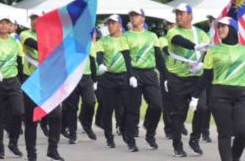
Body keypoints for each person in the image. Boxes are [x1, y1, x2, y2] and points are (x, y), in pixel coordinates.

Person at [192, 17, 245, 161]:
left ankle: (235, 157)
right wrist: (195, 97)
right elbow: (206, 76)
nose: (220, 29)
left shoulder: (244, 50)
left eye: (224, 26)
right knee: (225, 133)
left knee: (243, 132)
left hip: (241, 94)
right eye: (219, 27)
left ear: (233, 28)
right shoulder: (213, 51)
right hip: (220, 94)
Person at [164, 3, 211, 157]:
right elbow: (178, 40)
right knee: (179, 113)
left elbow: (209, 52)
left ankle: (195, 139)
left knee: (203, 108)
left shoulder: (201, 33)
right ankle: (177, 145)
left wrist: (202, 65)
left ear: (190, 16)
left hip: (196, 78)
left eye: (181, 13)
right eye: (177, 14)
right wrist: (195, 47)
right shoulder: (173, 32)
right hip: (177, 77)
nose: (178, 16)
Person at [20, 12, 64, 161]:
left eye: (38, 19)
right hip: (32, 79)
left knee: (56, 115)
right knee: (32, 119)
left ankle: (52, 149)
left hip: (48, 79)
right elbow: (35, 45)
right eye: (32, 19)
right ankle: (32, 155)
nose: (34, 22)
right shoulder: (25, 34)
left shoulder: (52, 36)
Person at [124, 9, 167, 150]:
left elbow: (159, 58)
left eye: (136, 15)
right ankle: (130, 139)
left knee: (157, 105)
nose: (133, 18)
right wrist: (130, 75)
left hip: (149, 73)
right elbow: (126, 57)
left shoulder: (152, 36)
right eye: (131, 15)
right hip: (133, 73)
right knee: (133, 108)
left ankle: (150, 132)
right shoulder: (126, 36)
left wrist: (165, 77)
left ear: (143, 18)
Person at [0, 15, 23, 159]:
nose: (3, 25)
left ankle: (13, 142)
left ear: (10, 26)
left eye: (6, 23)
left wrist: (20, 81)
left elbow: (20, 62)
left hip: (13, 81)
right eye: (0, 23)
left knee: (18, 111)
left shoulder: (15, 43)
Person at [96, 14, 136, 150]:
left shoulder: (126, 40)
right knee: (108, 109)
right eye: (108, 23)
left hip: (124, 77)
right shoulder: (103, 41)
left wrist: (132, 75)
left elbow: (130, 57)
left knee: (127, 107)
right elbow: (99, 54)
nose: (110, 26)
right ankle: (109, 136)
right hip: (108, 78)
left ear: (119, 25)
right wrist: (100, 64)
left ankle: (123, 128)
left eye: (113, 23)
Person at [62, 28, 98, 144]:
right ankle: (73, 134)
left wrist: (95, 80)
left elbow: (92, 61)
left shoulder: (88, 44)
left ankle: (86, 123)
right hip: (72, 78)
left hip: (86, 77)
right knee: (72, 107)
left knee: (90, 102)